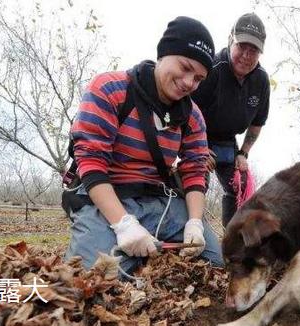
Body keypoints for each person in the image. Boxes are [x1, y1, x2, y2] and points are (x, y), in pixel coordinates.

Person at [64, 16, 223, 273]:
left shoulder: (192, 116)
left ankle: (146, 246)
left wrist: (195, 222)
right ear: (163, 54)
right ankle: (111, 240)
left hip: (161, 202)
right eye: (184, 67)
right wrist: (123, 224)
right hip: (107, 196)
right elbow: (91, 162)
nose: (188, 82)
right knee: (94, 276)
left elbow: (195, 171)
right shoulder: (110, 89)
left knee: (214, 263)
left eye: (198, 79)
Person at [192, 13, 270, 226]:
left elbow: (257, 122)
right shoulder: (212, 69)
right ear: (230, 41)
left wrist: (243, 153)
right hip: (199, 137)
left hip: (228, 141)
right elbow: (186, 110)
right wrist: (197, 148)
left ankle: (232, 238)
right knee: (197, 176)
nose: (246, 55)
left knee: (241, 184)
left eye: (253, 49)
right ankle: (193, 230)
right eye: (241, 46)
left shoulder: (261, 81)